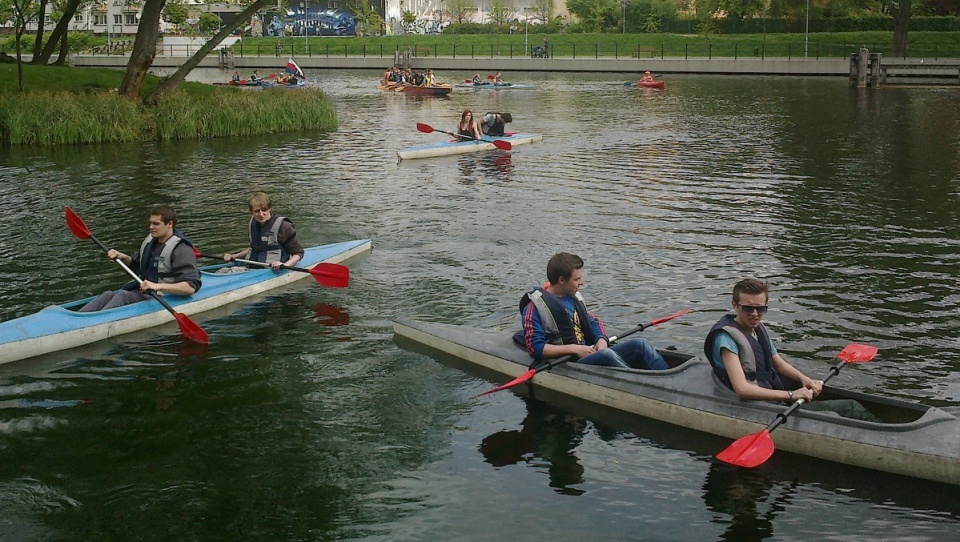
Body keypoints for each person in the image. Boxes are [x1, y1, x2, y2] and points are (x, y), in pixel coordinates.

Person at [704, 278, 882, 421]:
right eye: (748, 308)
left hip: (771, 398)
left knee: (851, 406)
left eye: (761, 308)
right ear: (735, 305)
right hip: (754, 405)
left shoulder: (756, 327)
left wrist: (805, 379)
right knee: (832, 417)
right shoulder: (725, 338)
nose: (755, 314)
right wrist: (791, 394)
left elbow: (779, 365)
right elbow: (742, 389)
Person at [515, 252, 669, 370]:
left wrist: (601, 340)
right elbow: (535, 348)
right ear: (562, 280)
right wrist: (575, 349)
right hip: (568, 362)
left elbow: (593, 322)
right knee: (606, 354)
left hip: (588, 352)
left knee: (640, 344)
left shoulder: (573, 298)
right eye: (577, 279)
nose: (581, 283)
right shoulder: (534, 308)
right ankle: (641, 384)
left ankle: (666, 378)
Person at [79, 206, 201, 312]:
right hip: (143, 291)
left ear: (169, 224)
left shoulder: (181, 249)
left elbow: (190, 287)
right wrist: (122, 257)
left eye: (156, 224)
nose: (151, 227)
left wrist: (157, 286)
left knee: (123, 296)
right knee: (108, 295)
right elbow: (138, 266)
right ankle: (80, 318)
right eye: (151, 223)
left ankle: (96, 322)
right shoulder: (151, 242)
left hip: (162, 296)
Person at [219, 192, 304, 273]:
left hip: (271, 270)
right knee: (222, 271)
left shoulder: (284, 226)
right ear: (252, 212)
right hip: (252, 268)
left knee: (233, 270)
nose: (261, 214)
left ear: (269, 209)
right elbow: (255, 249)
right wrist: (234, 256)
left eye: (264, 210)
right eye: (257, 211)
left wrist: (285, 265)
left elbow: (298, 253)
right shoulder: (253, 224)